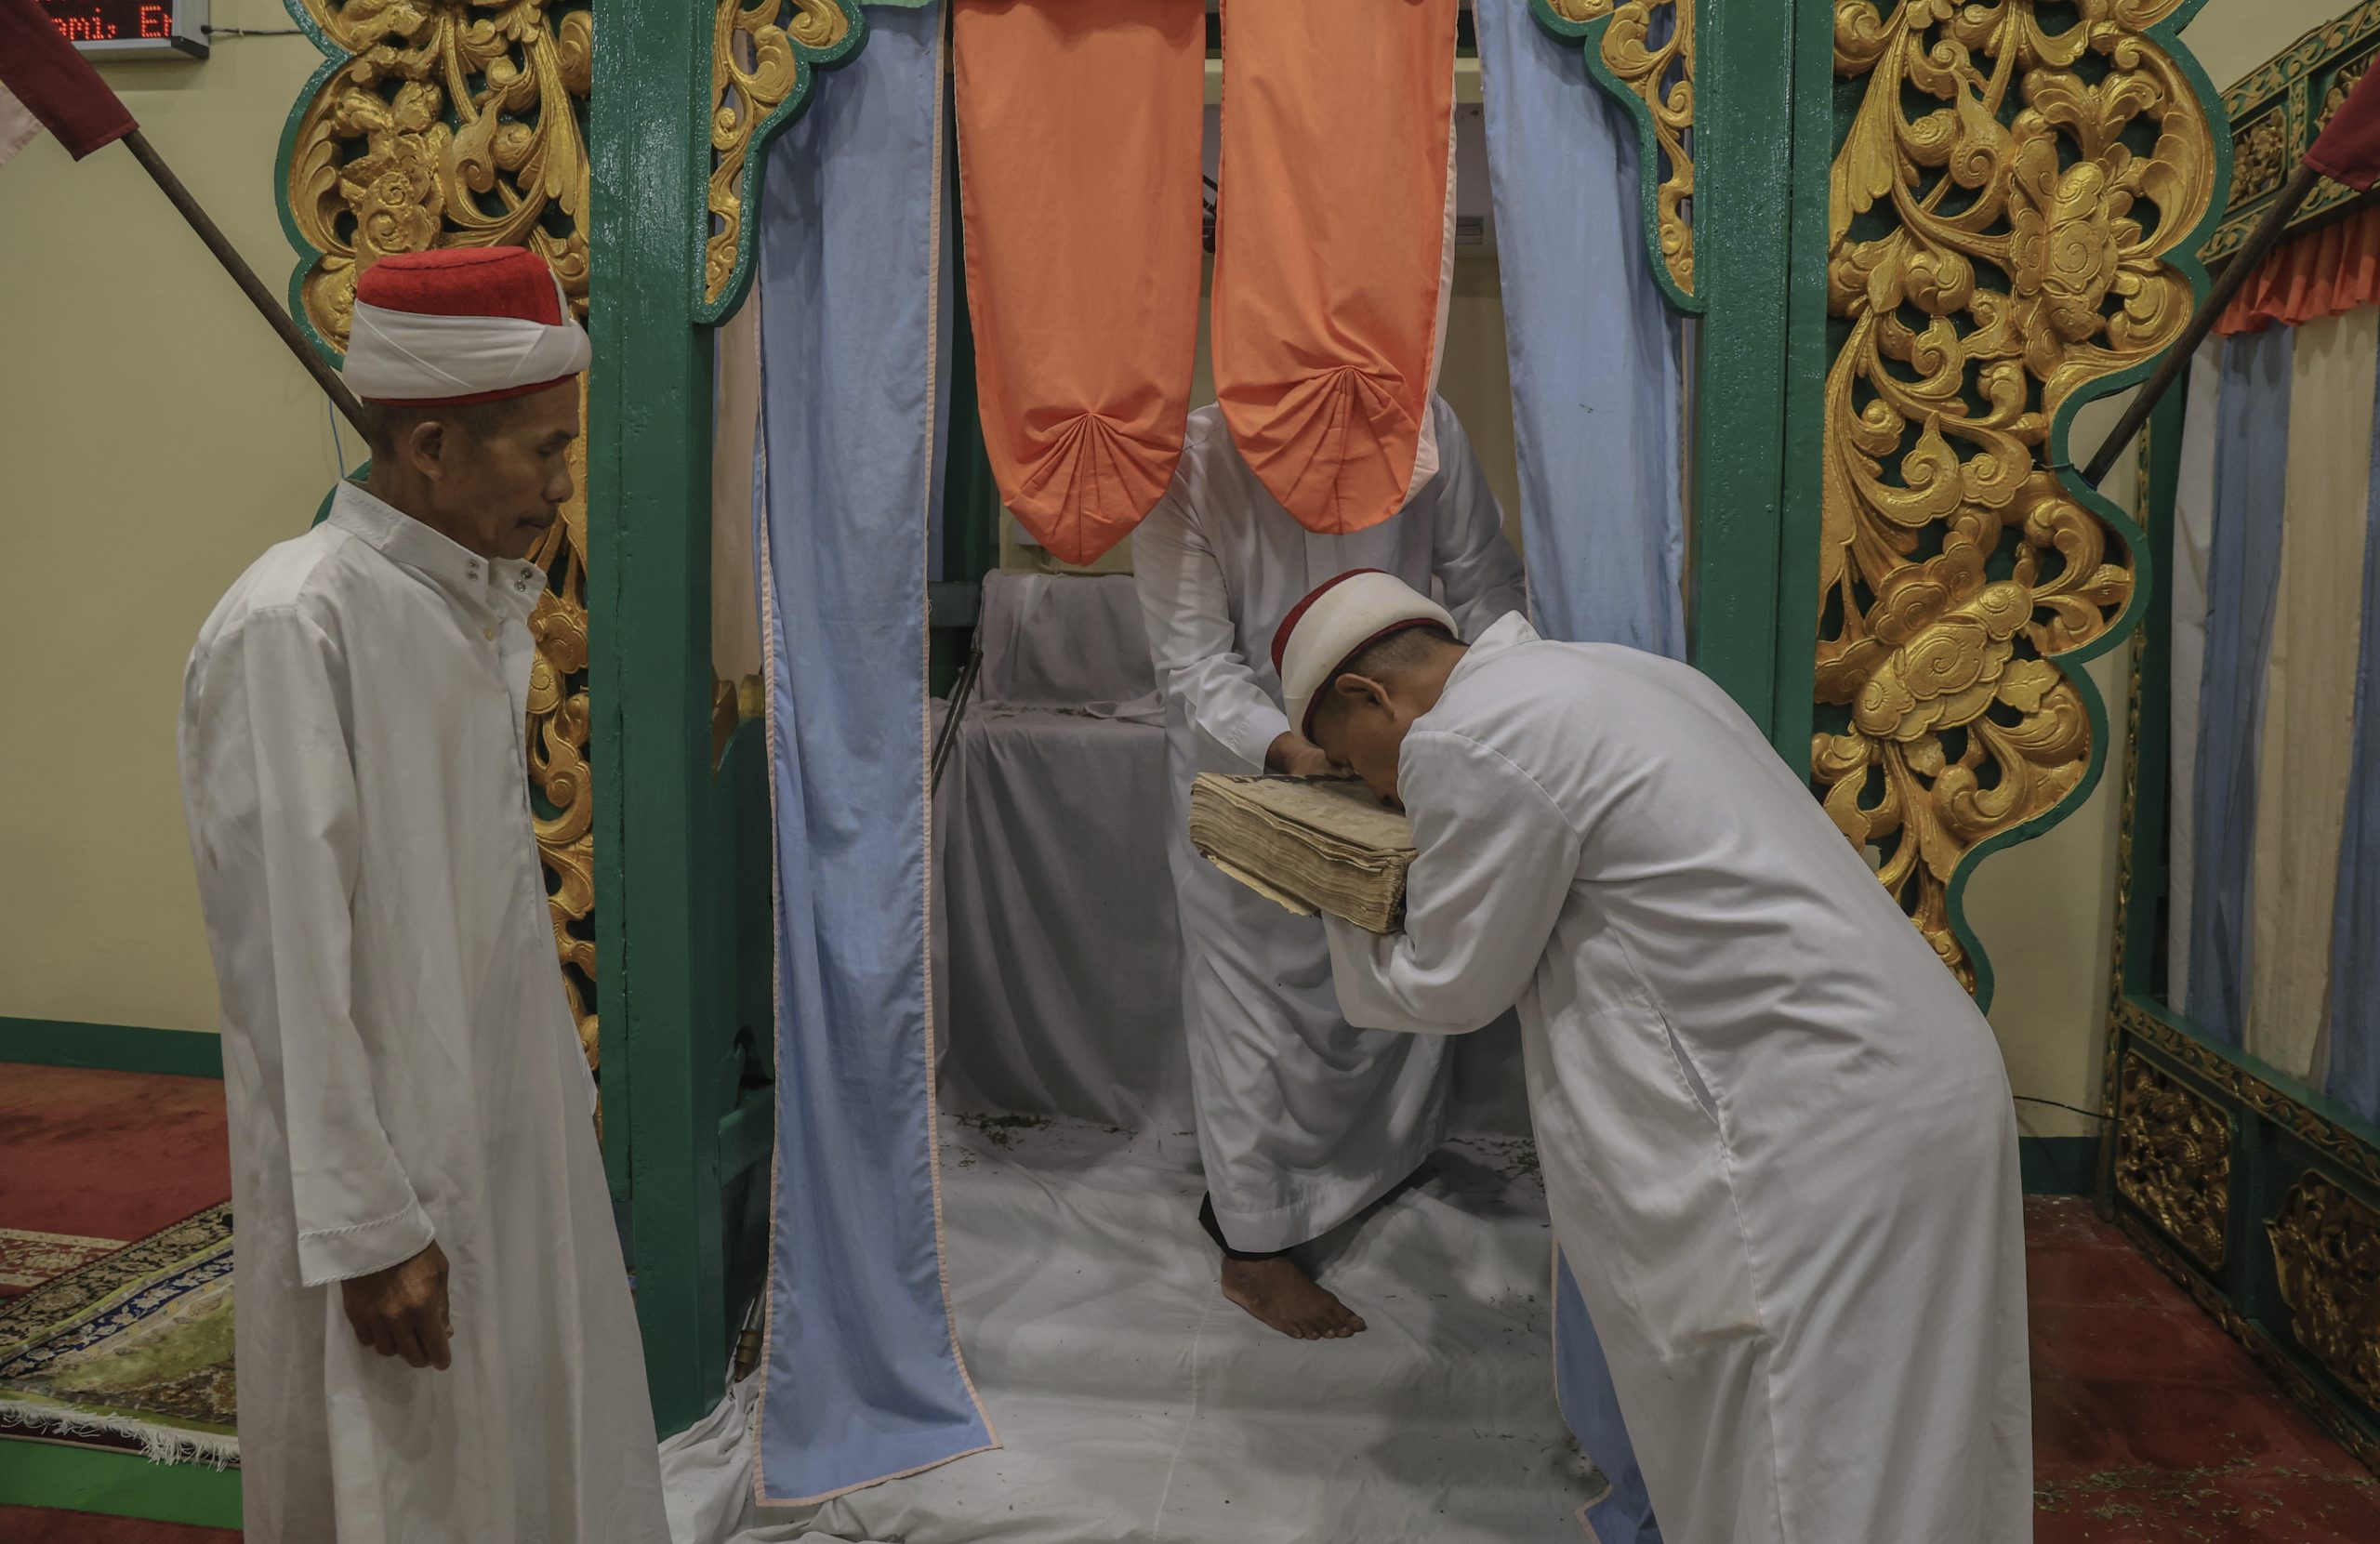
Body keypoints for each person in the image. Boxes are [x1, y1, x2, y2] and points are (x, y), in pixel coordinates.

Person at [1279, 570, 2031, 1544]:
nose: (1377, 785)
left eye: (1354, 761)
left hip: (1814, 1126)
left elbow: (1448, 984)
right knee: (1918, 1437)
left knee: (1800, 1464)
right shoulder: (1626, 674)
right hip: (1907, 1083)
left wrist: (1325, 878)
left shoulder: (1469, 735)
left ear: (1367, 696)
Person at [177, 247, 670, 1543]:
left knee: (535, 1448)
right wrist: (370, 1231)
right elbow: (289, 963)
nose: (566, 488)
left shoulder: (459, 607)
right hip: (390, 1194)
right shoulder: (296, 625)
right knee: (405, 1482)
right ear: (437, 443)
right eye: (547, 453)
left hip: (502, 1136)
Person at [1132, 396, 1526, 1340]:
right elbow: (1192, 665)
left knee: (1392, 972)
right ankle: (1252, 1245)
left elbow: (1483, 590)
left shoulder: (1426, 420)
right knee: (1252, 1014)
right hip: (1250, 775)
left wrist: (1492, 720)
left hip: (1407, 754)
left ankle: (1371, 1175)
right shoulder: (1186, 455)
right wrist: (1300, 754)